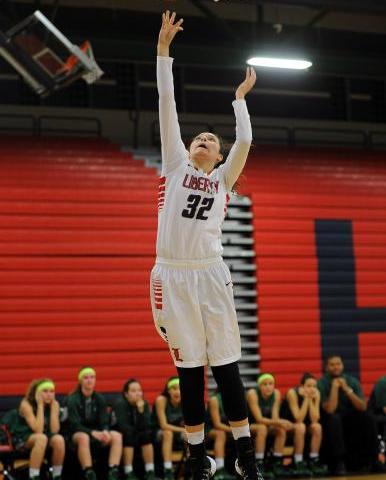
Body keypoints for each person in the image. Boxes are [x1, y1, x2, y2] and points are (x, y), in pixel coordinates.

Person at [150, 10, 259, 480]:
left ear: (217, 157)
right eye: (200, 136)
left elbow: (246, 139)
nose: (204, 139)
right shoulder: (175, 165)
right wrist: (163, 50)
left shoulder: (224, 181)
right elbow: (167, 101)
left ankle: (245, 455)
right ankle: (196, 457)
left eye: (211, 140)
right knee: (189, 371)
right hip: (171, 274)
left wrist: (239, 101)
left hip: (211, 274)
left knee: (227, 368)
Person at [318, 354, 380, 475]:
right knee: (334, 419)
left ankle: (373, 460)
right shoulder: (321, 383)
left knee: (368, 418)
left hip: (349, 415)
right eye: (332, 365)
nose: (336, 367)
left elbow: (362, 406)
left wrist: (347, 389)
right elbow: (330, 409)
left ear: (342, 365)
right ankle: (339, 461)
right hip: (329, 417)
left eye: (338, 364)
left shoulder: (352, 381)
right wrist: (335, 388)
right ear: (326, 368)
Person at [66, 366, 122, 480]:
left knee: (116, 436)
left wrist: (105, 430)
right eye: (86, 378)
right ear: (80, 380)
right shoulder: (72, 399)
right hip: (78, 433)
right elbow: (74, 424)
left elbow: (104, 420)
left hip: (96, 432)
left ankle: (113, 470)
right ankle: (89, 472)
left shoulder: (99, 398)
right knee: (84, 437)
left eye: (92, 377)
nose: (89, 380)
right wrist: (92, 432)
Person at [5, 378, 65, 480]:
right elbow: (38, 430)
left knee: (59, 439)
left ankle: (56, 475)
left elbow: (54, 431)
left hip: (42, 438)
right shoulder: (26, 404)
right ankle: (33, 476)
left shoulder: (54, 404)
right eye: (45, 391)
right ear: (36, 393)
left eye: (52, 391)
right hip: (22, 438)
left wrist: (54, 409)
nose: (49, 394)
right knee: (41, 438)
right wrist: (40, 405)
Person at [247, 373, 292, 479]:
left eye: (271, 384)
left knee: (280, 429)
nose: (268, 387)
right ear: (259, 386)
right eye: (265, 384)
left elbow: (274, 418)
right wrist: (280, 422)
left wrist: (281, 423)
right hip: (248, 425)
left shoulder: (276, 394)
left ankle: (277, 462)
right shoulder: (252, 394)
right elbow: (259, 419)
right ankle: (259, 463)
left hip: (266, 424)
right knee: (262, 428)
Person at [282, 373, 327, 476]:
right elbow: (298, 418)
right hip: (288, 425)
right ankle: (298, 461)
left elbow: (315, 419)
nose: (312, 389)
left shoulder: (316, 394)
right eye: (308, 386)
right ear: (302, 386)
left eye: (314, 386)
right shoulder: (292, 393)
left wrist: (310, 400)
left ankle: (314, 459)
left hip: (303, 425)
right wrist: (307, 399)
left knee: (317, 427)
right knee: (300, 426)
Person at [114, 378, 155, 480]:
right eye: (133, 391)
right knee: (129, 434)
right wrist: (136, 431)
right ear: (126, 394)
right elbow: (122, 426)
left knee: (146, 435)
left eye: (139, 390)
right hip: (122, 434)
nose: (138, 393)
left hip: (137, 433)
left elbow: (146, 426)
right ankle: (129, 472)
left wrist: (140, 411)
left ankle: (150, 471)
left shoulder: (144, 404)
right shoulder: (120, 404)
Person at [152, 376, 185, 480]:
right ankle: (168, 470)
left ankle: (192, 468)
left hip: (176, 433)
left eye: (180, 388)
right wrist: (183, 430)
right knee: (168, 433)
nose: (177, 391)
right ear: (168, 390)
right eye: (174, 388)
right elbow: (163, 425)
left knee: (191, 436)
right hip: (157, 433)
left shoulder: (186, 402)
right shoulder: (161, 400)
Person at [207, 391, 234, 480]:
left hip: (228, 431)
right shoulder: (215, 399)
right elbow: (217, 424)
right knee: (220, 434)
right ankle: (219, 469)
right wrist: (234, 430)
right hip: (208, 431)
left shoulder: (235, 397)